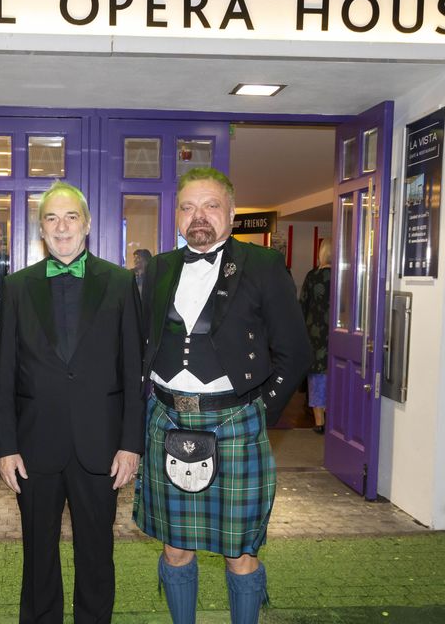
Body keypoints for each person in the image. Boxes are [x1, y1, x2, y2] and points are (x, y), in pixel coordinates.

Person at [133, 167, 311, 624]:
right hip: (167, 418)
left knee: (240, 550)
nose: (199, 217)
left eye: (211, 205)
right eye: (189, 207)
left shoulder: (264, 265)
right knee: (175, 547)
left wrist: (257, 412)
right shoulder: (158, 268)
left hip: (235, 423)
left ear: (231, 214)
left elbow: (294, 352)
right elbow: (139, 343)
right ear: (176, 216)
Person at [0, 181, 144, 624]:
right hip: (34, 447)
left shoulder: (118, 282)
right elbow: (5, 373)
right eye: (52, 218)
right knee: (37, 555)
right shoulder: (18, 286)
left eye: (71, 217)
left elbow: (133, 370)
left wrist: (130, 444)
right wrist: (6, 445)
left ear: (88, 225)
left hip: (101, 448)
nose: (62, 227)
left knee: (97, 555)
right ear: (41, 229)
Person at [299, 239, 332, 434]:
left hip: (314, 333)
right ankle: (334, 417)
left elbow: (302, 305)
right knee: (335, 374)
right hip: (336, 332)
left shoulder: (313, 276)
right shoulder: (343, 277)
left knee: (317, 377)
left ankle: (319, 421)